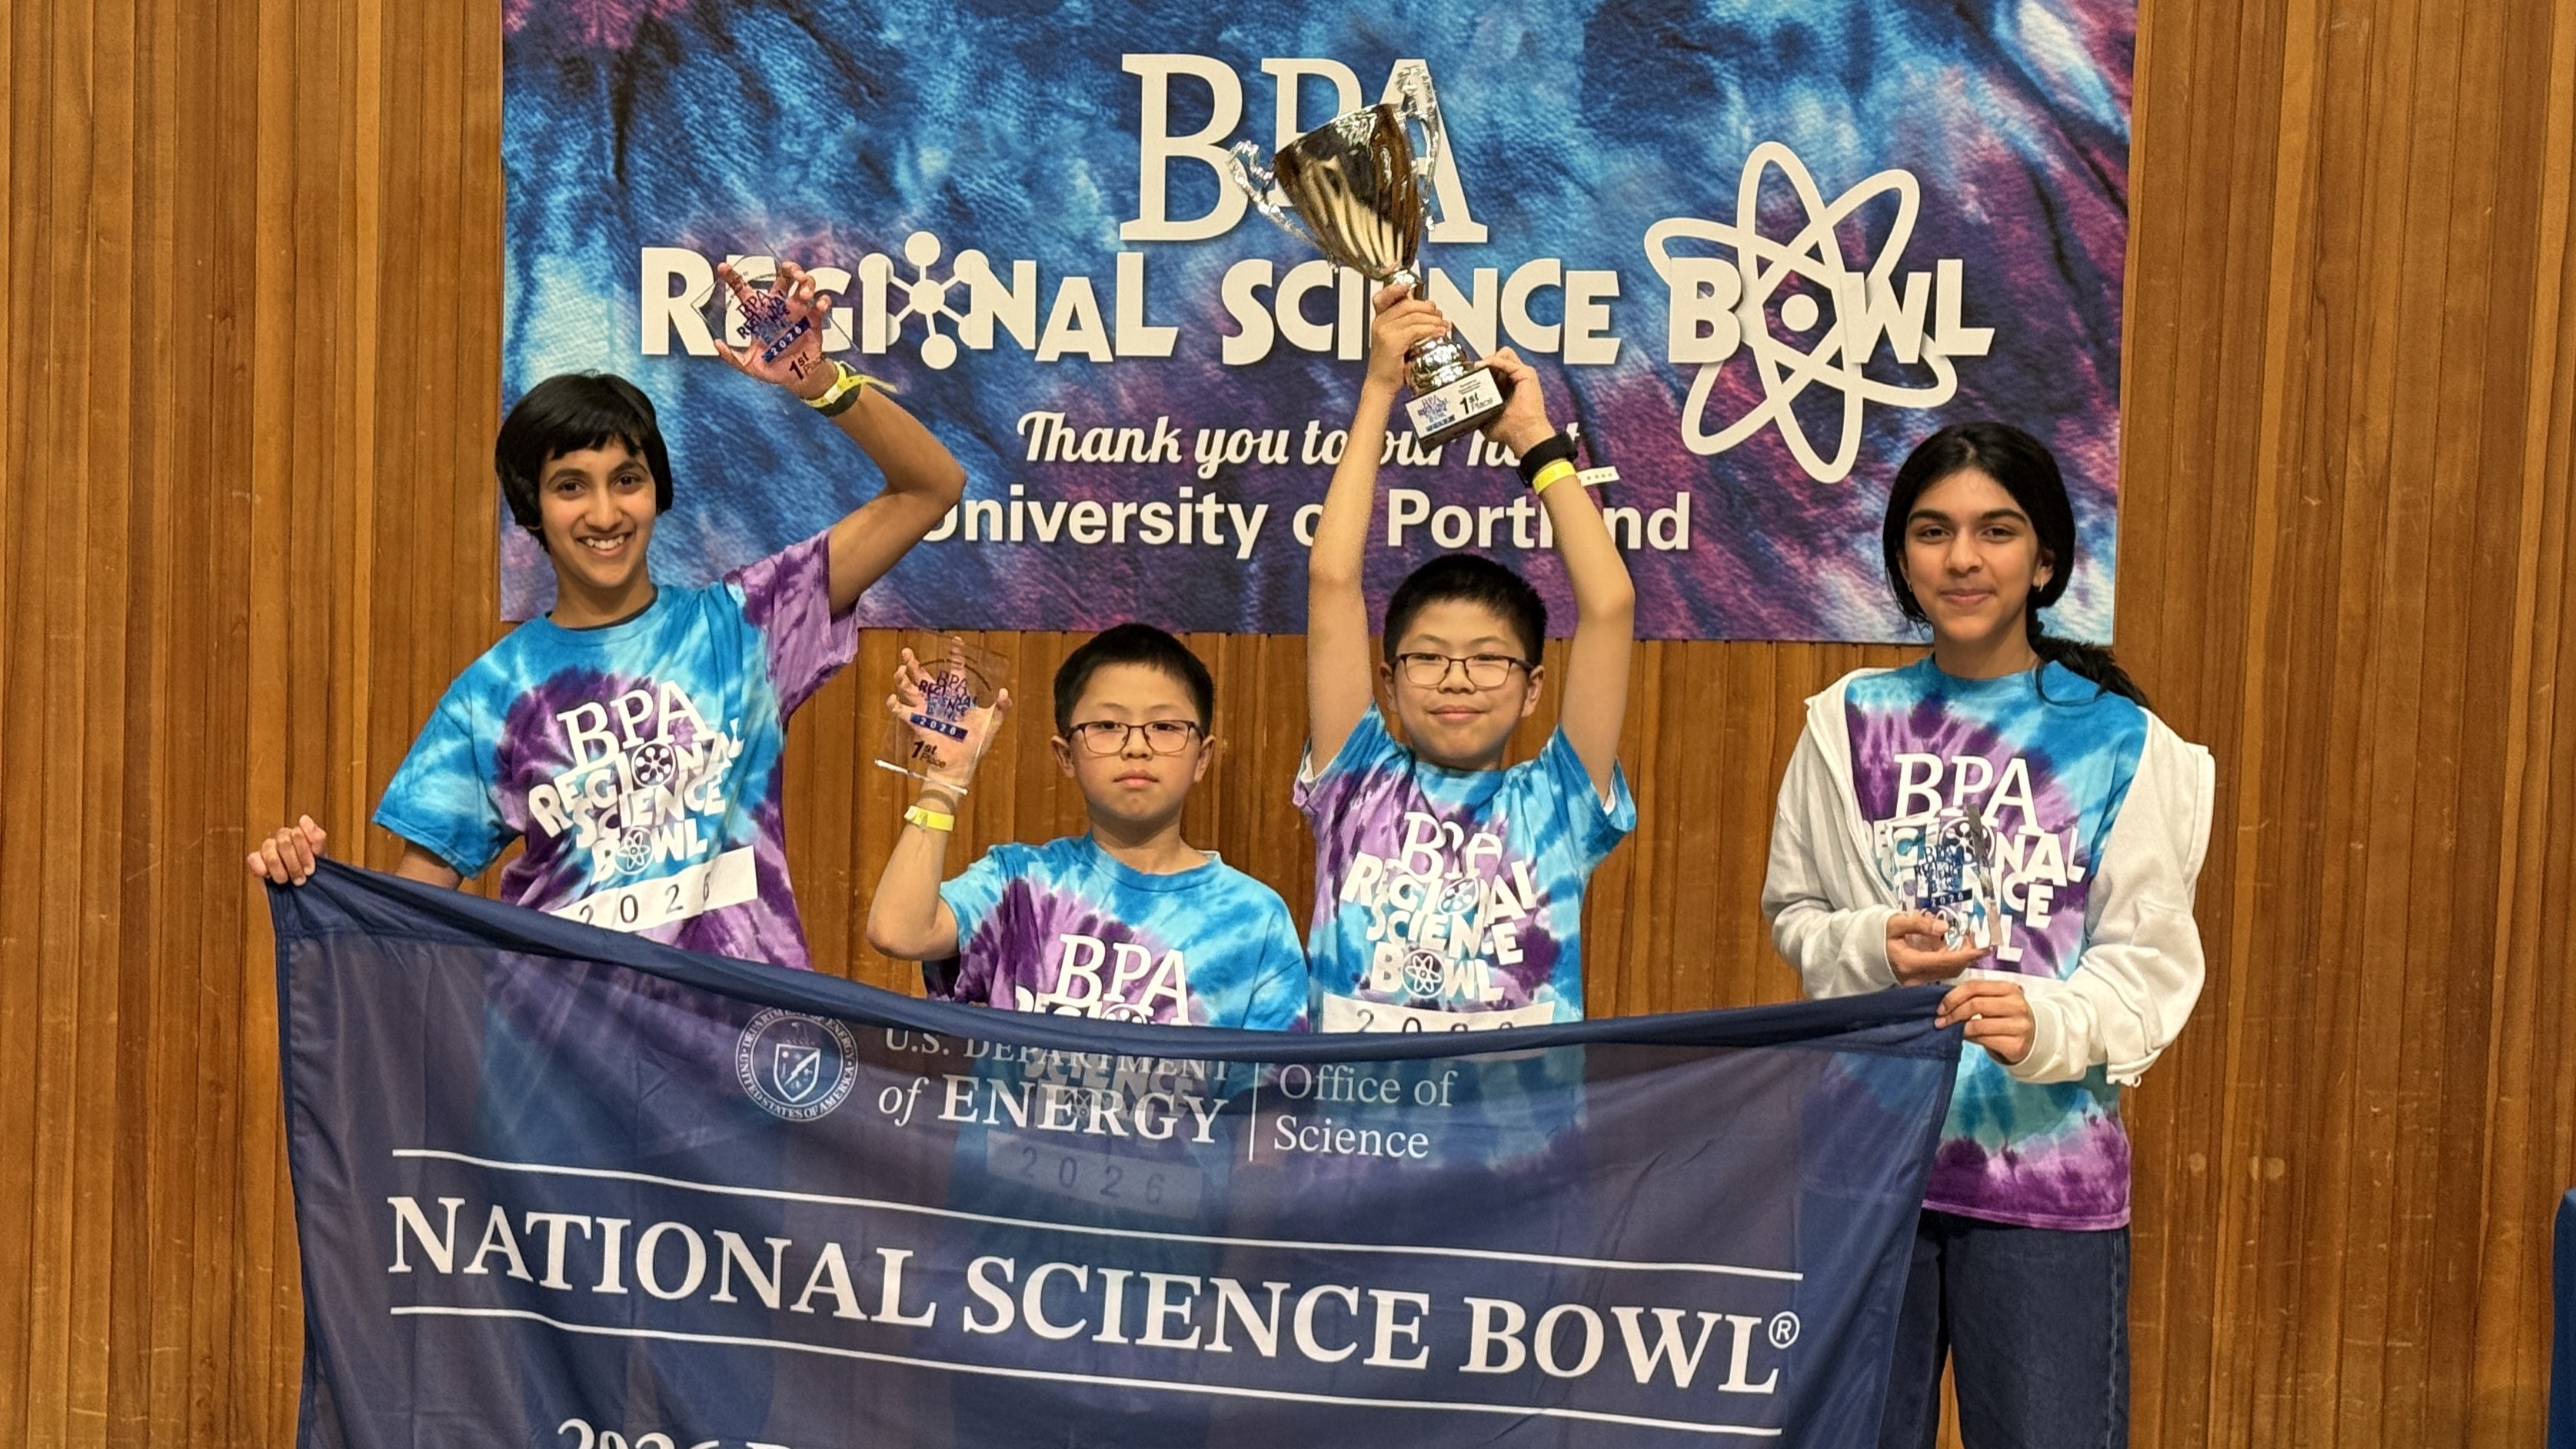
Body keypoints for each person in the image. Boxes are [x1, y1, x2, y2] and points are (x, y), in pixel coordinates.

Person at [246, 261, 965, 973]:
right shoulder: (493, 694)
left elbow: (931, 487)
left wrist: (823, 383)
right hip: (563, 1063)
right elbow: (411, 920)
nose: (603, 513)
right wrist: (313, 890)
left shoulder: (748, 625)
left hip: (744, 1056)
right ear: (532, 507)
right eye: (570, 487)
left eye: (627, 481)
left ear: (657, 492)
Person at [1761, 421, 2214, 1447]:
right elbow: (1794, 915)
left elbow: (2149, 964)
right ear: (1900, 559)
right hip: (1860, 1179)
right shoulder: (1843, 721)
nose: (1962, 559)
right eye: (1932, 532)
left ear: (2045, 558)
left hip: (2046, 1189)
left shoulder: (2122, 739)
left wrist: (2045, 1019)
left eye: (1996, 531)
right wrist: (1875, 946)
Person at [1298, 285, 1636, 1031]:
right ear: (1386, 683)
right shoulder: (1355, 785)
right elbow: (1330, 581)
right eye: (1427, 657)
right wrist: (1378, 389)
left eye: (1488, 660)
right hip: (1354, 1144)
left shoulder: (1558, 802)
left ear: (1530, 689)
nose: (1456, 679)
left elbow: (1609, 606)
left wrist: (1536, 444)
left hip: (1518, 1148)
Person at [864, 623, 1306, 1031]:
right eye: (1108, 726)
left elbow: (1266, 1103)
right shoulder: (1020, 885)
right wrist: (945, 781)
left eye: (1166, 726)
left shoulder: (1254, 918)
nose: (1137, 746)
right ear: (1066, 756)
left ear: (1203, 757)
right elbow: (898, 931)